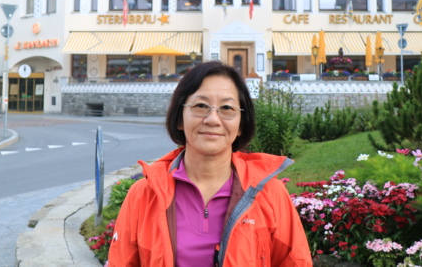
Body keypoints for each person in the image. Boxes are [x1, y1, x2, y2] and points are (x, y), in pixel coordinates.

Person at [108, 61, 312, 266]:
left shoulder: (270, 194)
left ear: (241, 124)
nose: (213, 119)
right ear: (180, 119)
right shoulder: (143, 195)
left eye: (227, 108)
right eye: (201, 106)